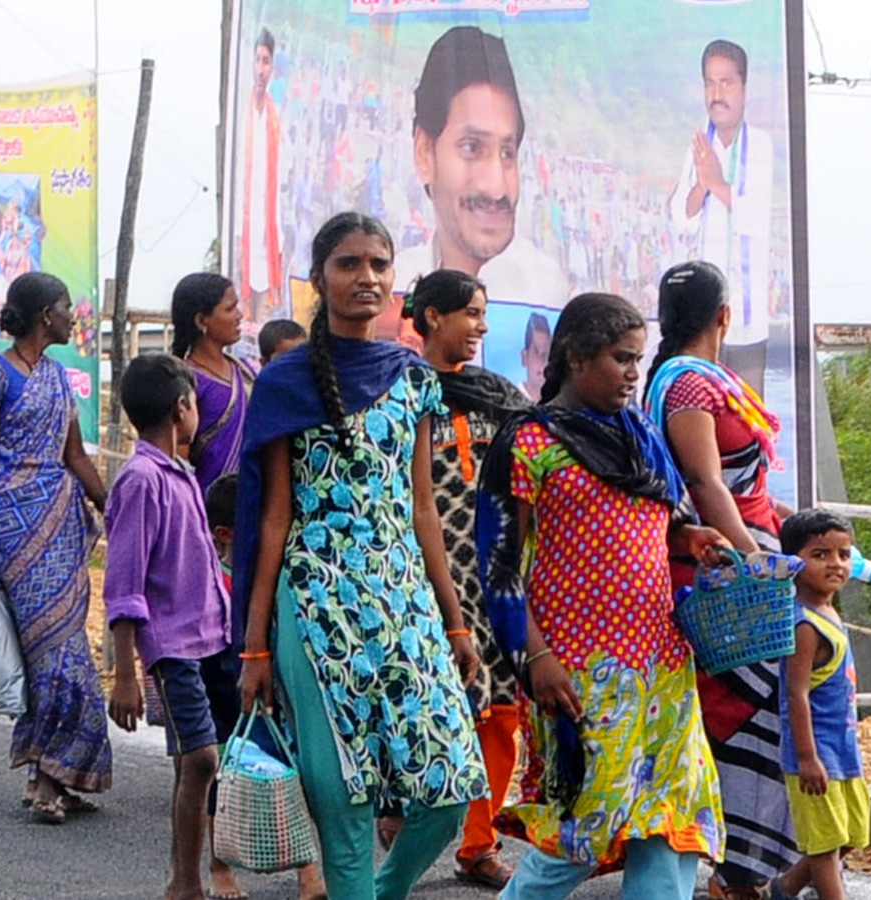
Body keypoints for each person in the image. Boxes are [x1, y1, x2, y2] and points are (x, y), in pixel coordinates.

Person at [235, 212, 488, 899]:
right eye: (349, 264)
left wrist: (455, 622)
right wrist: (255, 644)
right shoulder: (286, 383)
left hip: (404, 599)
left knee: (450, 787)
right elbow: (272, 518)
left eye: (379, 264)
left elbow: (424, 508)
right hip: (316, 603)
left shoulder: (413, 379)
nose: (366, 277)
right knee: (344, 803)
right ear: (320, 280)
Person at [477, 292, 726, 900]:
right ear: (575, 355)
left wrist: (691, 537)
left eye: (638, 359)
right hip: (581, 673)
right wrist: (536, 659)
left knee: (667, 829)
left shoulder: (639, 435)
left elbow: (657, 525)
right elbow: (499, 570)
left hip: (661, 669)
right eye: (621, 358)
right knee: (579, 836)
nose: (633, 374)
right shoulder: (529, 443)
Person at [643, 261, 796, 900]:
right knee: (748, 708)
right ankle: (735, 869)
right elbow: (706, 484)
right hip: (722, 572)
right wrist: (750, 556)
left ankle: (749, 865)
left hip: (745, 553)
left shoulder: (698, 381)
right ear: (725, 317)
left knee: (767, 706)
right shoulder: (688, 388)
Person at [0, 271, 110, 824]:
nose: (74, 316)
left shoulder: (59, 377)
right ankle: (46, 778)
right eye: (68, 307)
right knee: (49, 650)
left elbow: (76, 456)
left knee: (66, 645)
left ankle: (55, 774)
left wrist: (111, 507)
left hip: (61, 522)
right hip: (13, 527)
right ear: (46, 314)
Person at [395, 268, 529, 888]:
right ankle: (407, 818)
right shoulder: (397, 392)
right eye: (469, 313)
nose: (479, 326)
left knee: (502, 711)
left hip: (495, 575)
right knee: (435, 710)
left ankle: (478, 843)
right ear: (430, 318)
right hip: (422, 577)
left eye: (483, 314)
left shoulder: (501, 396)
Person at [104, 354, 235, 900]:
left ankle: (185, 880)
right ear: (182, 407)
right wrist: (127, 672)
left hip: (209, 638)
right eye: (195, 403)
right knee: (201, 759)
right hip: (173, 646)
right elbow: (125, 579)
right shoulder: (140, 480)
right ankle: (186, 881)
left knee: (197, 761)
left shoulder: (181, 474)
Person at [204, 472, 328, 900]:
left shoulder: (279, 571)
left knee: (294, 769)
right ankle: (220, 866)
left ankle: (308, 872)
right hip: (223, 686)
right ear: (225, 534)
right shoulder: (213, 581)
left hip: (276, 684)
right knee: (224, 772)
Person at [394, 26, 566, 309]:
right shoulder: (398, 282)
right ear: (424, 153)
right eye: (472, 148)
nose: (496, 188)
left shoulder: (543, 288)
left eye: (507, 153)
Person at [770, 510, 870, 900]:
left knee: (853, 831)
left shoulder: (828, 612)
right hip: (814, 750)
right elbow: (795, 695)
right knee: (826, 844)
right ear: (795, 563)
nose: (835, 564)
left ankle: (786, 886)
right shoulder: (804, 625)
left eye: (843, 555)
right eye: (821, 554)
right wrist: (808, 757)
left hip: (842, 746)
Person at [670, 39, 773, 397]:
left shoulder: (761, 146)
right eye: (710, 83)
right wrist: (702, 185)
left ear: (743, 88)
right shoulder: (698, 146)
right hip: (703, 322)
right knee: (705, 415)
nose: (717, 93)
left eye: (726, 82)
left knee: (747, 423)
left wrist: (717, 182)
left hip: (747, 321)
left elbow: (757, 221)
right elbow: (681, 218)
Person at [171, 273, 248, 497]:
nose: (239, 316)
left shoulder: (245, 372)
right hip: (206, 511)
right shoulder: (186, 381)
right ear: (202, 321)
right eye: (230, 309)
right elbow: (179, 457)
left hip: (251, 503)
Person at [237, 26, 283, 322]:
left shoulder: (276, 119)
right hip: (243, 233)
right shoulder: (242, 116)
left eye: (266, 61)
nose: (260, 69)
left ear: (273, 67)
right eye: (257, 60)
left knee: (265, 321)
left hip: (268, 234)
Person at [517, 312, 551, 402]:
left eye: (545, 354)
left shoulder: (555, 405)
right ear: (524, 357)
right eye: (536, 353)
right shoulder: (509, 402)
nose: (543, 362)